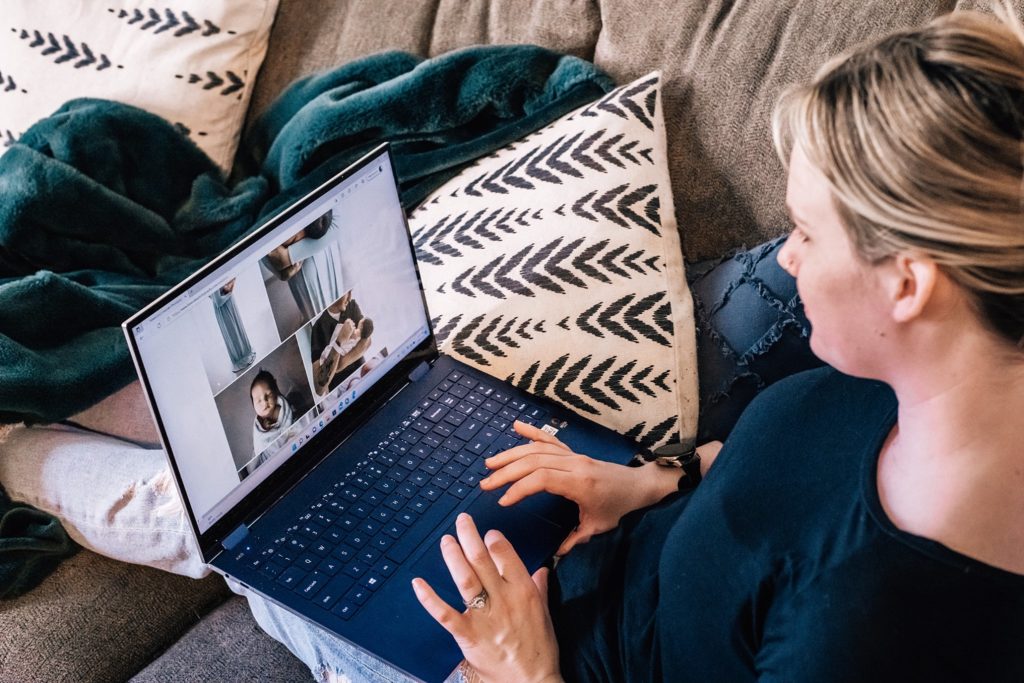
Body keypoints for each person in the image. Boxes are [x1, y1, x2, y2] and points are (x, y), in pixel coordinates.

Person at [234, 8, 1024, 682]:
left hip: (534, 655)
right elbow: (789, 485)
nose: (787, 257)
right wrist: (648, 483)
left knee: (241, 541)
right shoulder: (916, 379)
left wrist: (526, 667)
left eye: (809, 234)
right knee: (270, 495)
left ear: (910, 284)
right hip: (592, 552)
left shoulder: (868, 636)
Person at [247, 369, 297, 475]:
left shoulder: (282, 407)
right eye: (258, 401)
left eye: (268, 395)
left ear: (275, 393)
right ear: (253, 405)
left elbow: (291, 419)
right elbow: (261, 438)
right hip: (271, 456)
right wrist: (264, 427)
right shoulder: (259, 423)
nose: (264, 402)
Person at [210, 278, 256, 373]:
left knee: (237, 328)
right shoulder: (211, 279)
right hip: (224, 308)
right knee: (232, 332)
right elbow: (218, 301)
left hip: (229, 303)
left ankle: (244, 353)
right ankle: (241, 356)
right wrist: (230, 292)